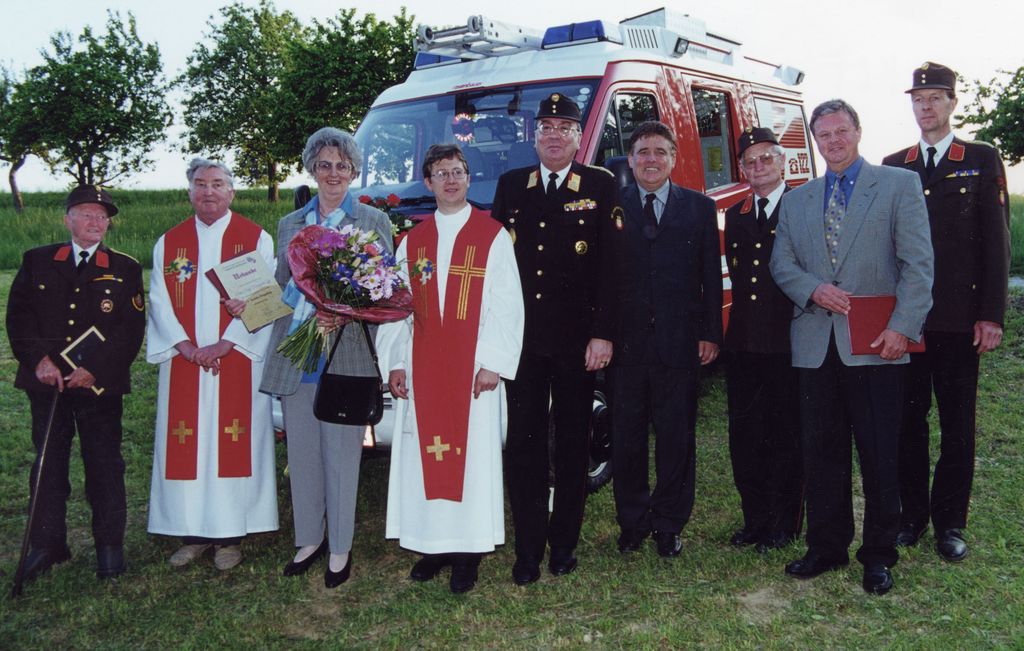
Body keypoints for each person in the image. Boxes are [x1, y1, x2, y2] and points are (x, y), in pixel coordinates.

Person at [769, 99, 933, 595]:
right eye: (823, 134)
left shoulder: (899, 185)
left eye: (841, 131)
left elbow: (918, 266)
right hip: (815, 346)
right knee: (822, 454)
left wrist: (903, 328)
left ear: (858, 132)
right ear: (814, 140)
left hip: (878, 345)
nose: (833, 141)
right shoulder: (797, 199)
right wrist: (812, 289)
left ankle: (879, 554)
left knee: (880, 454)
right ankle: (826, 547)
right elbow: (782, 264)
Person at [377, 144, 524, 593]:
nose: (451, 180)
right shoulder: (412, 242)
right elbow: (396, 308)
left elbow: (507, 304)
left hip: (472, 369)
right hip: (422, 366)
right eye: (441, 173)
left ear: (468, 177)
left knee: (472, 459)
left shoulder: (491, 235)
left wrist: (493, 364)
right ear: (428, 182)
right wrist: (395, 363)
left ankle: (468, 552)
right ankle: (433, 544)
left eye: (457, 171)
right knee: (424, 457)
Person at [491, 92, 624, 584]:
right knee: (523, 446)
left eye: (564, 128)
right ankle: (528, 548)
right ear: (535, 136)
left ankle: (564, 544)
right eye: (545, 127)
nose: (554, 135)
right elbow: (497, 269)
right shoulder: (512, 185)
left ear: (577, 137)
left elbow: (612, 268)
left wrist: (603, 334)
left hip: (576, 343)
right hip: (523, 343)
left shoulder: (600, 184)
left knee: (571, 444)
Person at [882, 62, 1011, 563]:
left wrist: (991, 314)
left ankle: (951, 522)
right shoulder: (895, 164)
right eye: (919, 99)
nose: (926, 107)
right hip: (907, 322)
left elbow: (996, 242)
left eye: (936, 97)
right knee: (907, 423)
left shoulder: (979, 158)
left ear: (952, 103)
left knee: (958, 425)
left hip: (959, 320)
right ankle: (911, 517)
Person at [260, 128, 393, 588]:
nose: (333, 174)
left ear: (353, 172)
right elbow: (281, 285)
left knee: (340, 456)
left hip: (346, 354)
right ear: (312, 170)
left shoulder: (372, 220)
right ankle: (308, 539)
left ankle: (339, 547)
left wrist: (345, 311)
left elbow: (384, 289)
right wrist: (248, 305)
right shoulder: (290, 223)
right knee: (302, 454)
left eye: (341, 166)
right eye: (324, 165)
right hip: (298, 355)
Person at [6, 186, 145, 582]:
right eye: (86, 213)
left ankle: (109, 546)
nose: (95, 221)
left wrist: (95, 369)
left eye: (102, 216)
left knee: (105, 465)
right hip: (48, 384)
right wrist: (39, 361)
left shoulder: (124, 267)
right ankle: (48, 544)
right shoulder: (38, 260)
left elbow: (130, 329)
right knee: (48, 464)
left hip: (98, 388)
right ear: (67, 219)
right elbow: (19, 317)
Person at [147, 159, 278, 571]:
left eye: (218, 184)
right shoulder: (170, 243)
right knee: (187, 442)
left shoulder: (255, 239)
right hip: (184, 363)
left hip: (236, 360)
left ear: (231, 192)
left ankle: (229, 535)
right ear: (189, 191)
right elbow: (159, 302)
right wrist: (186, 347)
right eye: (200, 184)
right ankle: (192, 534)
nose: (209, 191)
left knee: (232, 443)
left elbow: (264, 299)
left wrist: (225, 344)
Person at [611, 121, 722, 558]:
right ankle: (633, 522)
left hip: (680, 342)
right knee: (627, 438)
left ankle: (669, 522)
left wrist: (710, 333)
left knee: (677, 438)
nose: (651, 160)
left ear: (674, 158)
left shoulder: (699, 208)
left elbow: (710, 276)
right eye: (643, 151)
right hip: (626, 346)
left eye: (660, 151)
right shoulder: (612, 206)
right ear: (630, 159)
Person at [723, 127, 803, 553]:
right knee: (746, 436)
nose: (758, 167)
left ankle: (784, 523)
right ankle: (754, 519)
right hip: (744, 344)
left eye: (766, 159)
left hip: (788, 342)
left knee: (785, 435)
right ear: (742, 168)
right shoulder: (736, 214)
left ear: (782, 161)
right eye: (749, 162)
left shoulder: (801, 206)